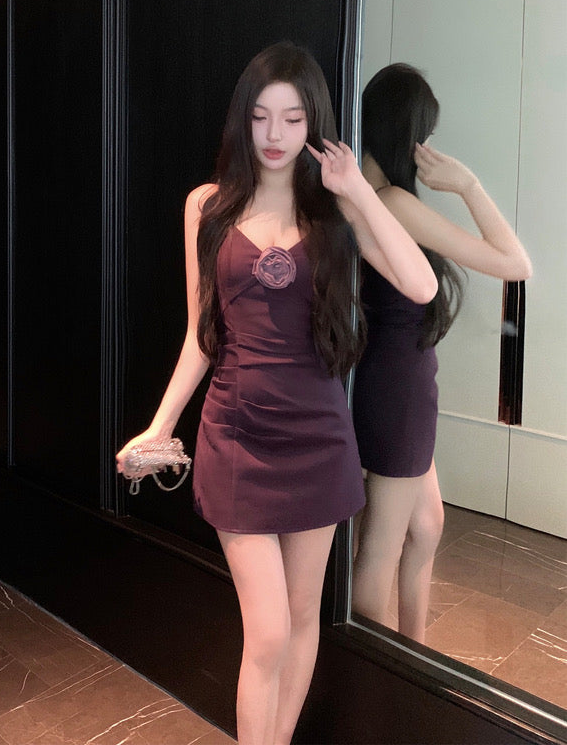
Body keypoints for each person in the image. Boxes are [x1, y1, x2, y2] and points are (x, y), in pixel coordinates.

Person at [116, 42, 437, 745]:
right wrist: (160, 425)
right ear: (243, 118)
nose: (274, 134)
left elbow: (420, 285)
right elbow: (201, 334)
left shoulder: (335, 216)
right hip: (236, 435)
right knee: (265, 633)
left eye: (292, 119)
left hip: (319, 440)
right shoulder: (206, 207)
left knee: (300, 619)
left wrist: (358, 191)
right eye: (261, 116)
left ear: (313, 124)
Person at [351, 63, 532, 644]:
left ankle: (413, 652)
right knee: (379, 552)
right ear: (406, 134)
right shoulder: (391, 202)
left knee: (426, 525)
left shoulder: (371, 198)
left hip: (398, 382)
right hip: (397, 389)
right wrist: (468, 185)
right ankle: (380, 674)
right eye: (424, 135)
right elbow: (515, 264)